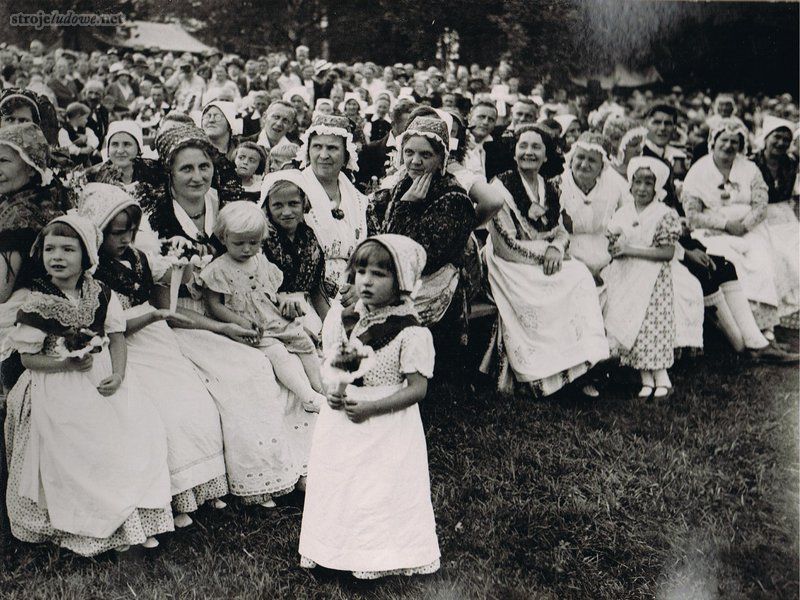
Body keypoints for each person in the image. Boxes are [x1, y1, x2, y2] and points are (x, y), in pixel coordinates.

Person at [139, 124, 314, 508]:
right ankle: (257, 477)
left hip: (234, 308)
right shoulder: (155, 220)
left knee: (287, 350)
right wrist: (223, 326)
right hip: (184, 318)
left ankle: (296, 461)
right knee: (248, 370)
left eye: (204, 166)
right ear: (169, 172)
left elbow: (253, 260)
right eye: (186, 169)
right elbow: (163, 306)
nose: (197, 176)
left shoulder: (222, 204)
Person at [4, 214, 172, 555]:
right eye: (50, 249)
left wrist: (120, 375)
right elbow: (27, 359)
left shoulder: (99, 292)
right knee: (77, 445)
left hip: (100, 376)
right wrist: (66, 363)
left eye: (68, 249)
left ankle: (129, 514)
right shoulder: (36, 303)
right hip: (56, 382)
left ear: (87, 256)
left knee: (130, 435)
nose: (57, 257)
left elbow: (117, 335)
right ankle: (89, 522)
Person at [78, 183, 228, 529]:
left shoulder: (138, 258)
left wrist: (180, 270)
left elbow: (161, 298)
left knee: (195, 402)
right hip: (125, 341)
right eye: (117, 233)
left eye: (131, 231)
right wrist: (149, 316)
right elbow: (110, 324)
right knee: (164, 414)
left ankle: (202, 485)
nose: (126, 239)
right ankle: (175, 495)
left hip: (157, 337)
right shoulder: (93, 273)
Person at [300, 234, 440, 579]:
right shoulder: (353, 318)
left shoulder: (410, 332)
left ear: (403, 281)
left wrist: (372, 409)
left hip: (385, 421)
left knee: (377, 488)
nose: (366, 281)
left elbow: (417, 389)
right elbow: (341, 362)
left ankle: (376, 557)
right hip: (347, 414)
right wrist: (335, 390)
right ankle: (335, 549)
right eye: (361, 271)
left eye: (379, 274)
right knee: (342, 482)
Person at [480, 124, 609, 397]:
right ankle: (546, 376)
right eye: (523, 146)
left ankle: (579, 367)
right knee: (558, 283)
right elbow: (505, 243)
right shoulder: (500, 186)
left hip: (542, 257)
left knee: (580, 276)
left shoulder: (549, 188)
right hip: (510, 262)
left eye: (536, 147)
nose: (529, 152)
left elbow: (560, 230)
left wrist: (557, 249)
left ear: (546, 155)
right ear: (514, 153)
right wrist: (544, 254)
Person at [198, 201, 326, 412]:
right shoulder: (218, 269)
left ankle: (321, 388)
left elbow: (271, 293)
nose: (247, 249)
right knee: (278, 353)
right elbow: (213, 305)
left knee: (304, 342)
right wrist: (239, 322)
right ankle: (307, 396)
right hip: (249, 327)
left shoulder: (262, 262)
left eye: (254, 242)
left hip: (272, 318)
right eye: (239, 243)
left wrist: (282, 301)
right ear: (223, 238)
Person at [376, 116, 477, 367]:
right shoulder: (404, 185)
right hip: (400, 274)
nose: (415, 161)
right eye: (409, 152)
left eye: (425, 155)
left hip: (433, 282)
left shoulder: (454, 198)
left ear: (441, 158)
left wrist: (407, 207)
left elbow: (423, 258)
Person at [602, 157, 700, 399]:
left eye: (649, 183)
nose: (643, 188)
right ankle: (645, 378)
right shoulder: (623, 212)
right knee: (630, 324)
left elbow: (667, 253)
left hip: (653, 276)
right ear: (631, 184)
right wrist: (614, 246)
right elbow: (614, 243)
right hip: (625, 276)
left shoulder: (664, 215)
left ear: (657, 188)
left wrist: (629, 250)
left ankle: (661, 376)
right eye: (638, 182)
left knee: (651, 326)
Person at [682, 118, 782, 336]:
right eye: (724, 140)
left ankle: (765, 326)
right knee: (731, 260)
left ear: (741, 145)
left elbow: (760, 204)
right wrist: (725, 224)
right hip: (713, 231)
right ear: (713, 142)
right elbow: (692, 213)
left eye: (734, 142)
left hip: (748, 229)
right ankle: (741, 328)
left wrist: (744, 226)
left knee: (761, 260)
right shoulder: (699, 170)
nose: (728, 146)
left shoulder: (750, 169)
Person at [295, 114, 372, 302]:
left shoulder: (359, 199)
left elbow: (372, 251)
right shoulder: (294, 190)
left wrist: (360, 287)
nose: (324, 155)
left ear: (346, 155)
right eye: (317, 147)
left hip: (355, 291)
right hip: (306, 294)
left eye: (332, 148)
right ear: (307, 151)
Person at [260, 170, 328, 331]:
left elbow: (316, 289)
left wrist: (329, 324)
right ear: (267, 206)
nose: (287, 212)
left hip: (305, 309)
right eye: (278, 205)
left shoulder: (309, 236)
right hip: (270, 310)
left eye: (293, 203)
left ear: (304, 202)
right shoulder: (261, 239)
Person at [559, 131, 630, 276]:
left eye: (592, 160)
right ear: (572, 159)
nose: (584, 165)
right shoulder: (558, 184)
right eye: (580, 157)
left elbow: (624, 222)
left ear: (602, 165)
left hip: (606, 260)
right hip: (567, 258)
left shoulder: (613, 189)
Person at [752, 115, 799, 327]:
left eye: (786, 140)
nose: (781, 143)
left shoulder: (791, 162)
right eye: (776, 137)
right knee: (778, 254)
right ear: (766, 137)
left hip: (785, 214)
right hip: (761, 215)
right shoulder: (752, 162)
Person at [85, 120, 161, 188]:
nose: (120, 150)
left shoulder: (154, 174)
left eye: (127, 144)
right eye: (115, 144)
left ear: (138, 148)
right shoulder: (93, 178)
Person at [57, 102, 98, 167]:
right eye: (85, 118)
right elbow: (66, 148)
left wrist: (89, 144)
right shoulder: (64, 130)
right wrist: (81, 151)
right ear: (78, 117)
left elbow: (95, 140)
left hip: (84, 163)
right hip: (71, 164)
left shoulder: (85, 129)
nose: (86, 121)